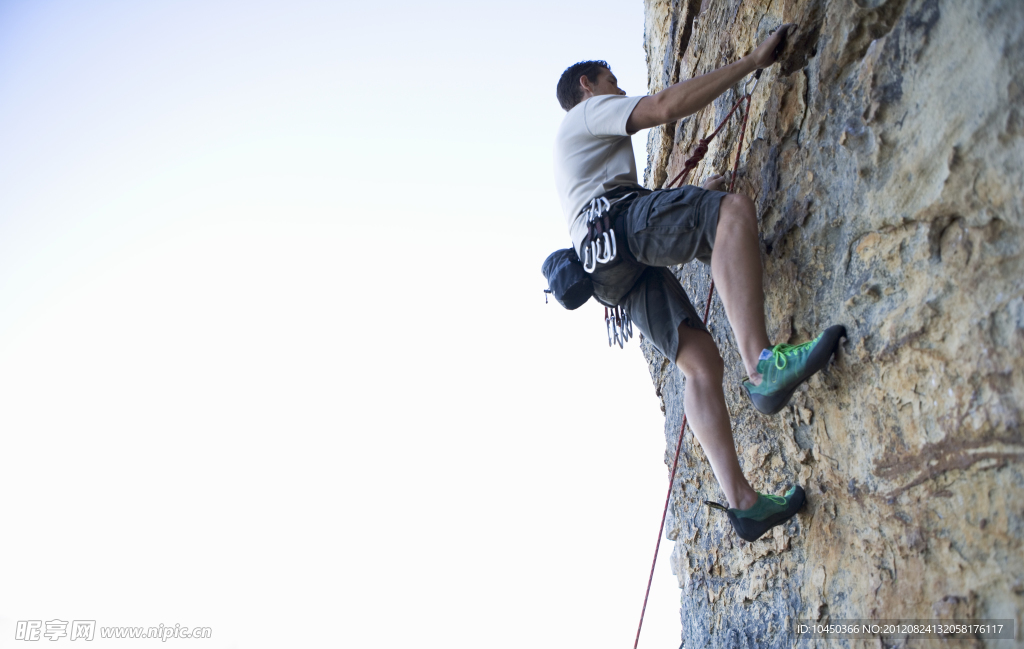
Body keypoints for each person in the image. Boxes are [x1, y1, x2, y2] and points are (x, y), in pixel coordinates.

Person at [552, 25, 845, 541]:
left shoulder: (576, 158)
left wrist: (685, 193)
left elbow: (627, 204)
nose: (620, 90)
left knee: (699, 363)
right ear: (586, 86)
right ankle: (763, 365)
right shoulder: (586, 113)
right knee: (729, 213)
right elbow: (663, 107)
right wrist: (751, 62)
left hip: (605, 267)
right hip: (619, 226)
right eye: (612, 81)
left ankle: (744, 502)